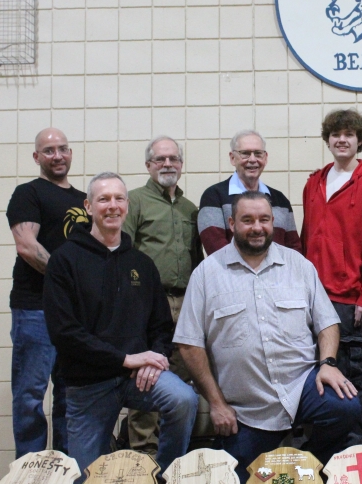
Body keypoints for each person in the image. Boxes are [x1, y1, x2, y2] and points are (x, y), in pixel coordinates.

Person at [175, 191, 360, 482]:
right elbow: (188, 344)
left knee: (345, 406)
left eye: (264, 219)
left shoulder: (299, 265)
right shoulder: (207, 274)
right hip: (247, 409)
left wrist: (327, 363)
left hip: (300, 388)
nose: (257, 227)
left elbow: (327, 323)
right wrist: (217, 404)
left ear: (273, 221)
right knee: (243, 476)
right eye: (247, 220)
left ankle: (310, 461)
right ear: (232, 223)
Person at [43, 172, 197, 481]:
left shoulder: (141, 263)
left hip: (136, 377)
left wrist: (154, 357)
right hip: (88, 384)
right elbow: (64, 333)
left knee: (183, 399)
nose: (112, 206)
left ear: (126, 205)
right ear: (88, 206)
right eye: (103, 199)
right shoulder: (64, 260)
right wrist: (125, 359)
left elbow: (161, 326)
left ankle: (163, 475)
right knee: (87, 475)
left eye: (118, 198)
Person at [301, 108, 362, 445]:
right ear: (328, 140)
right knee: (318, 377)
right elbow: (307, 239)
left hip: (349, 301)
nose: (342, 139)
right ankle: (321, 454)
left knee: (355, 379)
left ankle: (357, 455)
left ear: (359, 141)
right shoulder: (314, 183)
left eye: (349, 135)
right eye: (336, 134)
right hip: (313, 299)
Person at [121, 136, 204, 455]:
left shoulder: (190, 208)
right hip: (146, 305)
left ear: (181, 165)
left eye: (173, 159)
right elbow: (122, 252)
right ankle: (144, 454)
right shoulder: (134, 201)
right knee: (148, 377)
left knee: (182, 380)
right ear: (148, 165)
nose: (167, 164)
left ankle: (173, 457)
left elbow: (197, 258)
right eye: (160, 159)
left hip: (185, 304)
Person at [6, 127, 86, 457]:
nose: (57, 156)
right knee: (30, 395)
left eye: (63, 149)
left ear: (71, 153)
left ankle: (68, 473)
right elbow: (27, 246)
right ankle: (29, 472)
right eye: (49, 150)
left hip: (76, 315)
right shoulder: (29, 193)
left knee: (72, 397)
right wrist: (65, 282)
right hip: (35, 309)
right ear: (37, 157)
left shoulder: (85, 199)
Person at [199, 129, 300, 255]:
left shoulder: (281, 200)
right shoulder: (213, 197)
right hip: (231, 274)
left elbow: (294, 249)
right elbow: (216, 250)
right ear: (232, 158)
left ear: (265, 158)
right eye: (245, 153)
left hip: (277, 274)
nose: (252, 159)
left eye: (258, 153)